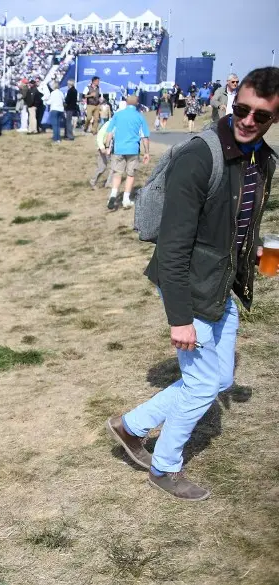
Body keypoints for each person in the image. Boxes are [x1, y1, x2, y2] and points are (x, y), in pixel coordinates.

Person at [107, 67, 278, 501]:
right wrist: (180, 320)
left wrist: (254, 249)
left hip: (220, 283)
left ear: (273, 119)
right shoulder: (199, 157)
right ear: (233, 100)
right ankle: (164, 468)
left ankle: (131, 426)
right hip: (187, 283)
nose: (247, 121)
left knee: (217, 379)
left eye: (261, 117)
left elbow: (238, 221)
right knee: (202, 384)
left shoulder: (264, 160)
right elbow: (173, 246)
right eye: (242, 109)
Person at [105, 95, 150, 210]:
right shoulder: (139, 117)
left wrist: (107, 146)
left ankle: (113, 194)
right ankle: (126, 199)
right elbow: (145, 136)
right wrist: (147, 152)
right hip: (133, 149)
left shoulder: (118, 115)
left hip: (118, 148)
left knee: (117, 173)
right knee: (130, 174)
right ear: (137, 103)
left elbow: (109, 132)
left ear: (126, 103)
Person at [89, 120, 114, 190]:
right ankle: (93, 181)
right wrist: (102, 148)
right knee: (102, 167)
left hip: (113, 147)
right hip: (103, 147)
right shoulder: (109, 124)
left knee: (114, 166)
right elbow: (100, 135)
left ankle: (109, 183)